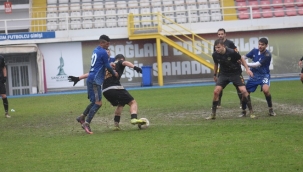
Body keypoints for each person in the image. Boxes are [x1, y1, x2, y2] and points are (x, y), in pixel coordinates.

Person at [68, 53, 145, 132]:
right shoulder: (119, 62)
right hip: (115, 88)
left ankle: (116, 125)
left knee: (121, 103)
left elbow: (91, 74)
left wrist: (78, 78)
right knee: (132, 102)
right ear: (121, 59)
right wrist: (135, 67)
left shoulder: (106, 66)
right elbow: (125, 63)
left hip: (105, 91)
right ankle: (134, 118)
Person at [73, 34, 118, 134]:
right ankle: (86, 123)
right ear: (102, 43)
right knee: (98, 103)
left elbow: (101, 64)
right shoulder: (103, 52)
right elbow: (106, 65)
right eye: (107, 44)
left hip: (91, 78)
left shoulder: (96, 50)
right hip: (95, 80)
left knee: (95, 102)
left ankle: (81, 117)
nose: (108, 46)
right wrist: (114, 72)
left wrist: (109, 64)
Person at [206, 39, 255, 120]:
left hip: (235, 73)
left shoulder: (232, 52)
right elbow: (216, 64)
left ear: (223, 46)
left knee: (243, 91)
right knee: (216, 91)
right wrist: (215, 74)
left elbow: (241, 58)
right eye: (215, 47)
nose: (217, 49)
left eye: (218, 47)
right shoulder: (215, 55)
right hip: (224, 74)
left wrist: (247, 69)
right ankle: (213, 114)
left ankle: (251, 112)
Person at [240, 38, 276, 117]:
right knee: (245, 93)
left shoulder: (267, 55)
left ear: (266, 46)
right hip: (254, 75)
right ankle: (243, 111)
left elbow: (256, 64)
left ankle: (271, 109)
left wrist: (244, 64)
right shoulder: (254, 51)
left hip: (264, 75)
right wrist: (239, 58)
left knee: (266, 90)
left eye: (262, 45)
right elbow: (244, 57)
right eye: (259, 44)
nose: (260, 46)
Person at [214, 28, 242, 108]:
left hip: (233, 69)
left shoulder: (230, 43)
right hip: (223, 70)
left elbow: (237, 54)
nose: (220, 36)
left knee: (238, 86)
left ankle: (241, 103)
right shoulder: (216, 44)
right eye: (219, 34)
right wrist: (215, 74)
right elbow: (216, 60)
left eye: (222, 34)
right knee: (219, 86)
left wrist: (239, 61)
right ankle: (218, 104)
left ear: (225, 34)